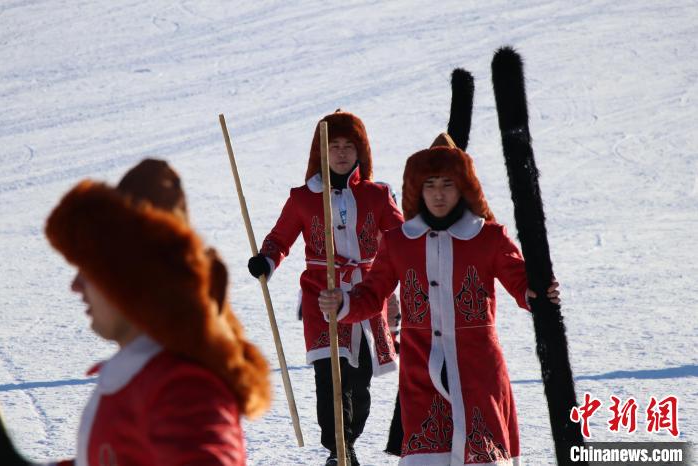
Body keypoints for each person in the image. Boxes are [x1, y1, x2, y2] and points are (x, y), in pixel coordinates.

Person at [319, 135, 560, 466]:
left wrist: (536, 294)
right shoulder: (399, 242)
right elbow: (372, 294)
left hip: (479, 370)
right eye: (430, 185)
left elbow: (520, 280)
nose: (438, 194)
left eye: (447, 184)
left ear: (463, 187)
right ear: (418, 189)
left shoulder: (488, 236)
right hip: (421, 373)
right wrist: (343, 304)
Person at [42, 159, 271, 465]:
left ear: (129, 279)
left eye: (89, 271)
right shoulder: (146, 374)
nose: (75, 286)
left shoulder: (181, 389)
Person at [247, 110, 403, 466]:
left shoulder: (378, 196)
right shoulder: (303, 197)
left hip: (365, 298)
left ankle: (350, 440)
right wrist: (265, 261)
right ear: (321, 151)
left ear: (361, 150)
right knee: (330, 379)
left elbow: (401, 237)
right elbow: (279, 239)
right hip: (321, 299)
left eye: (349, 146)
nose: (342, 153)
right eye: (334, 146)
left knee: (359, 384)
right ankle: (340, 452)